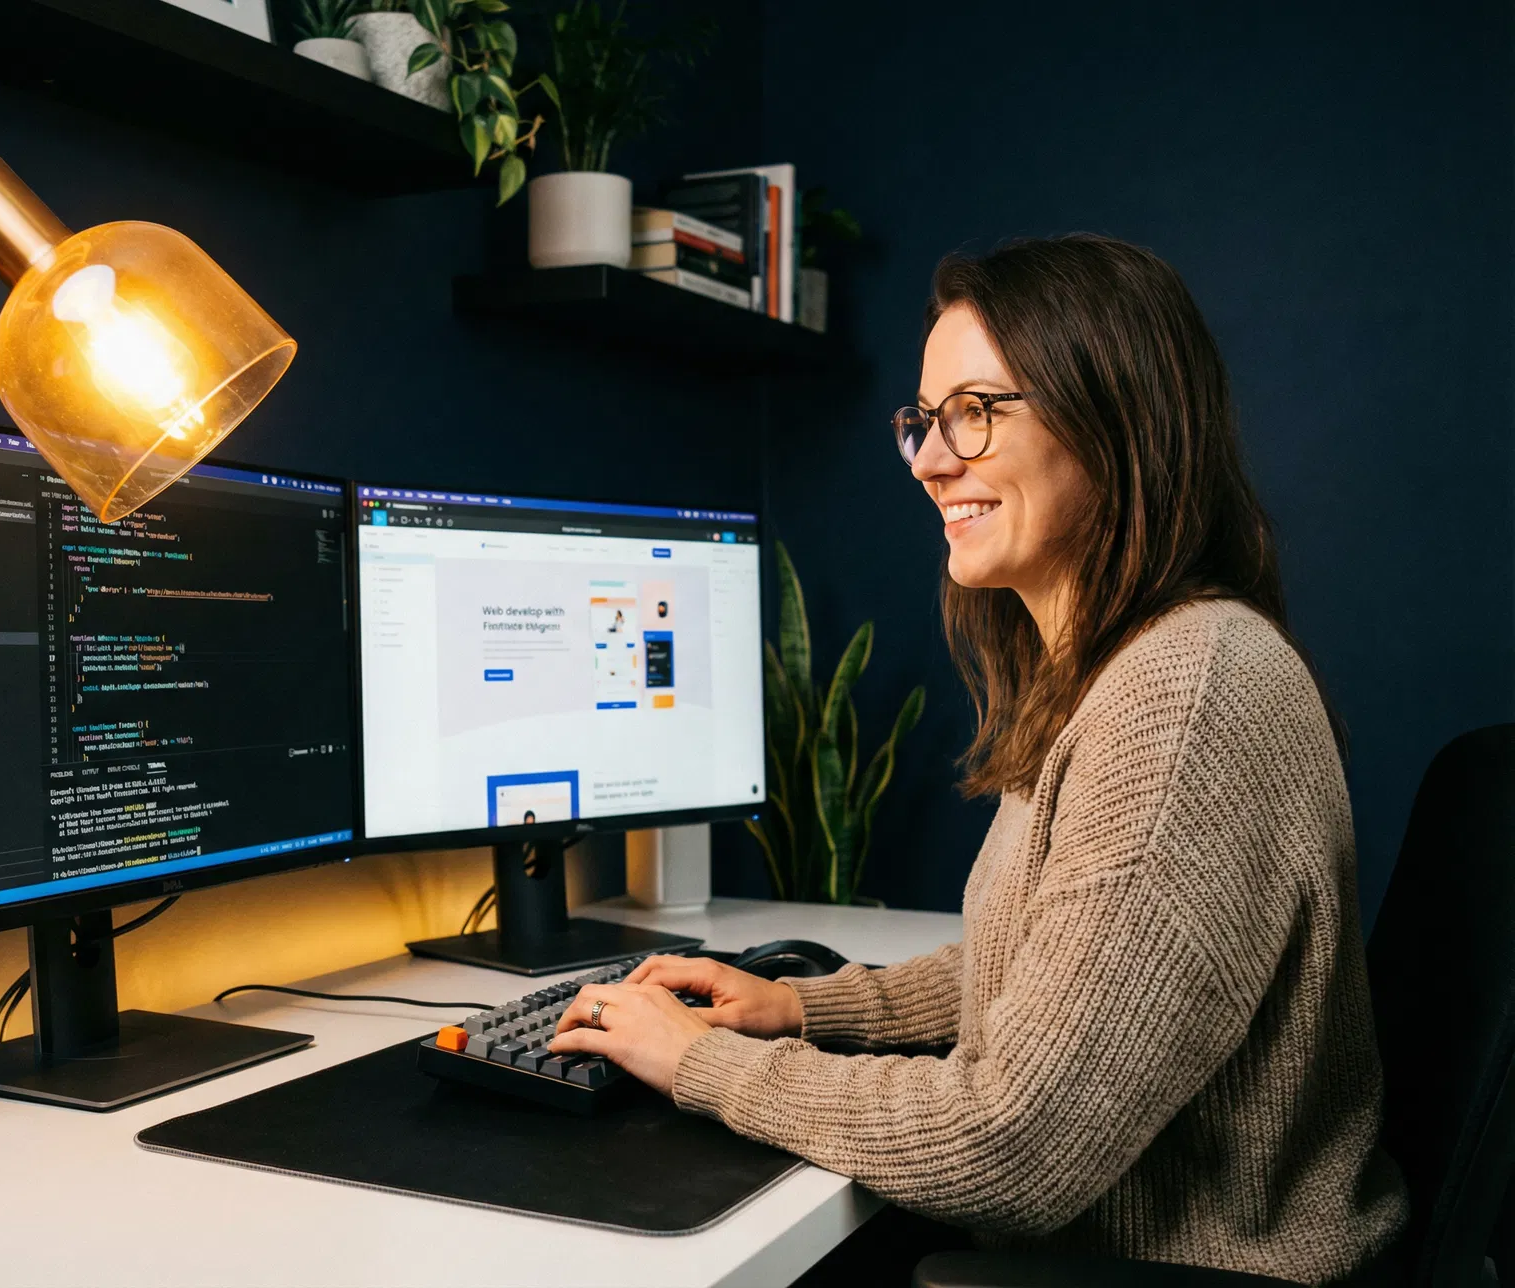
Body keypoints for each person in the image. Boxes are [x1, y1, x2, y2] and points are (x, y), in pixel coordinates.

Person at [550, 235, 1407, 1286]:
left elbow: (1010, 1145)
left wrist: (699, 1061)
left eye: (976, 411)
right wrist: (807, 1007)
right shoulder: (1112, 668)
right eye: (922, 420)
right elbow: (1048, 968)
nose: (928, 462)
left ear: (1117, 417)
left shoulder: (1186, 694)